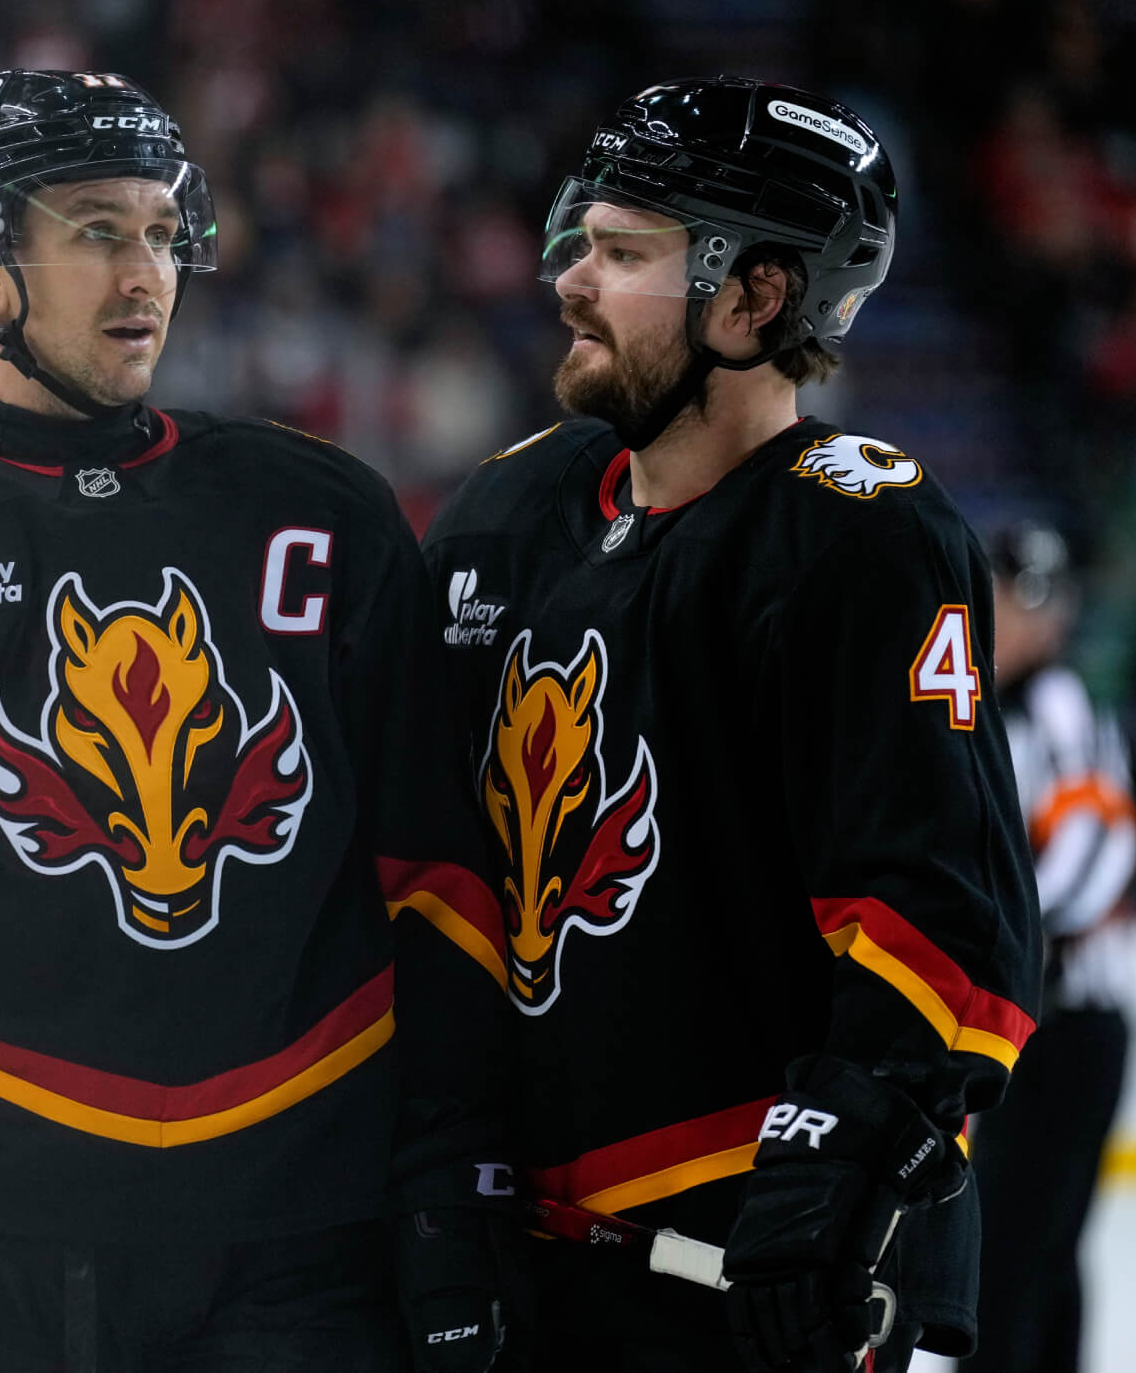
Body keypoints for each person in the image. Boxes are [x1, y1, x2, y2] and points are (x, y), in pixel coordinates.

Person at [0, 71, 513, 1373]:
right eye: (96, 230)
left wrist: (447, 1174)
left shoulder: (327, 518)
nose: (146, 270)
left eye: (160, 228)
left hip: (302, 1242)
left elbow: (437, 880)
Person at [421, 77, 1042, 1373]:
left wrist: (842, 1161)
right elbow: (431, 884)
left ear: (757, 298)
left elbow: (942, 917)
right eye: (583, 240)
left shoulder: (859, 537)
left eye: (626, 252)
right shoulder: (505, 516)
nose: (574, 281)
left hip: (762, 1288)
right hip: (527, 1282)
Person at [963, 523, 1136, 1373]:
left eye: (1041, 600)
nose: (1031, 619)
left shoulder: (1057, 703)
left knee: (1013, 1255)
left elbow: (1099, 849)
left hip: (1062, 1024)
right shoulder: (983, 709)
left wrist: (1010, 937)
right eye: (1014, 595)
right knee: (1038, 1254)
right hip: (1035, 1021)